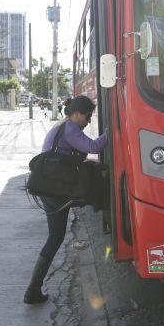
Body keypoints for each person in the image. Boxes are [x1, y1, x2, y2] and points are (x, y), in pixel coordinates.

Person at [23, 95, 109, 304]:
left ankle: (33, 290)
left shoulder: (64, 126)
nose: (88, 121)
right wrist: (112, 130)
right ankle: (32, 290)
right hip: (55, 190)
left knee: (57, 235)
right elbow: (95, 147)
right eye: (87, 117)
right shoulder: (70, 128)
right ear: (77, 113)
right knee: (55, 238)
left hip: (52, 186)